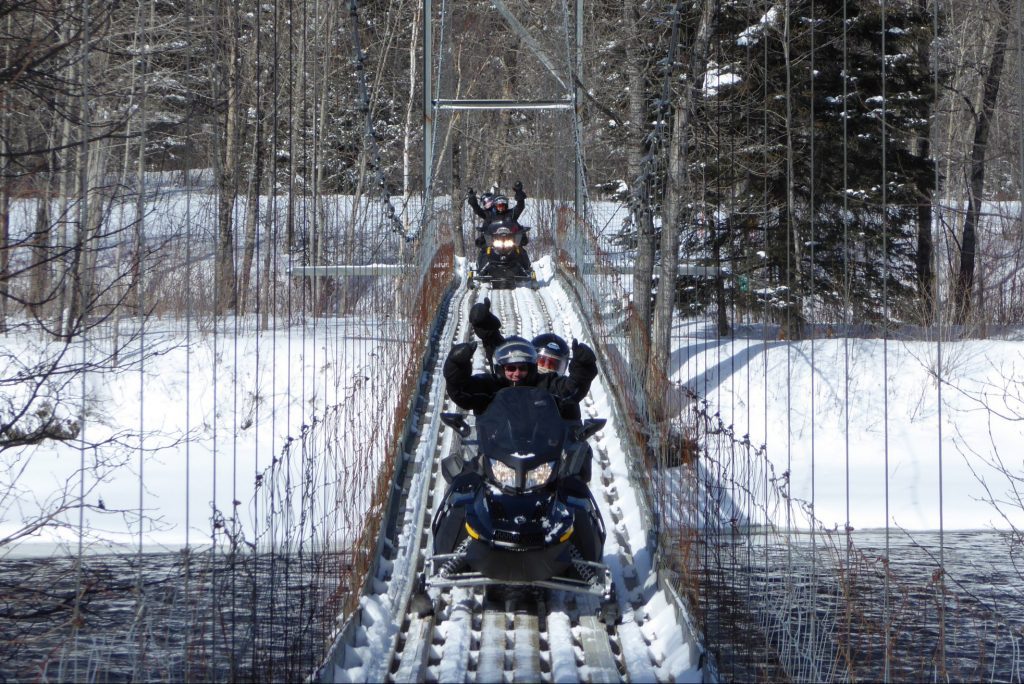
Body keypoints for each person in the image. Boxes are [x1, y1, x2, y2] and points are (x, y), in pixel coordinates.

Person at [461, 298, 594, 423]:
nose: (546, 369)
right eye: (542, 361)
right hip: (502, 433)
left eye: (553, 365)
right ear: (531, 359)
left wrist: (583, 369)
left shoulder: (556, 387)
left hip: (547, 437)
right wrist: (489, 333)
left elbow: (573, 390)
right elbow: (506, 353)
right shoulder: (510, 376)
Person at [466, 182, 529, 271]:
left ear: (506, 205)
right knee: (484, 250)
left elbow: (520, 207)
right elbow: (478, 210)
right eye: (499, 205)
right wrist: (472, 200)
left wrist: (519, 192)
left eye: (503, 205)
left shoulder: (511, 214)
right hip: (494, 241)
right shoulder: (490, 215)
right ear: (495, 206)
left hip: (510, 240)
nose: (501, 207)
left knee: (519, 249)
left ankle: (526, 269)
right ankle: (481, 269)